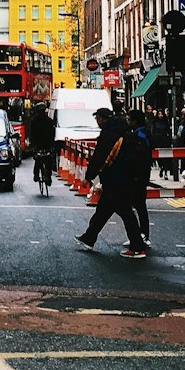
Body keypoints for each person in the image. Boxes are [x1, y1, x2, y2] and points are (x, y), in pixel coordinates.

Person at [75, 106, 147, 259]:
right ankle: (89, 238)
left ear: (104, 118)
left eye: (98, 118)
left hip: (116, 179)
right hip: (121, 178)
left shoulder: (109, 134)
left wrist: (88, 177)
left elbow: (99, 157)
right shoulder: (122, 129)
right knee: (103, 210)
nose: (97, 121)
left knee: (126, 213)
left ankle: (137, 247)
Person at [126, 108, 154, 245]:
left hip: (138, 175)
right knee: (139, 205)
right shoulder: (144, 132)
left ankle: (141, 236)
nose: (128, 121)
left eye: (129, 119)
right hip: (142, 173)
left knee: (138, 205)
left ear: (135, 121)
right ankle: (142, 235)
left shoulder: (139, 135)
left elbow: (138, 155)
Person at [28, 102, 56, 183]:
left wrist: (32, 146)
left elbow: (32, 135)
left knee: (38, 160)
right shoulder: (49, 121)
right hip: (47, 145)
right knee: (48, 161)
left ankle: (36, 175)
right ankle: (48, 177)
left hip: (39, 145)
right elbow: (52, 134)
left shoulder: (34, 121)